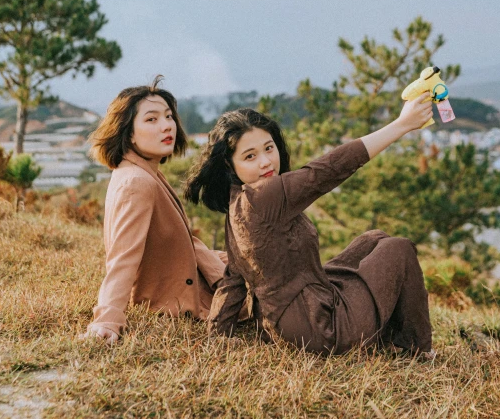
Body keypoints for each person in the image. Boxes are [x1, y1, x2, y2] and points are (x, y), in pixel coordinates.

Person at [184, 93, 435, 357]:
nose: (266, 161)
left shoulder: (239, 201)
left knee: (373, 239)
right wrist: (402, 124)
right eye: (250, 156)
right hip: (319, 331)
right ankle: (416, 349)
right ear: (229, 163)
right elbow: (329, 169)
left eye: (269, 148)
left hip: (283, 324)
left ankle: (387, 330)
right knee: (398, 249)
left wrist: (218, 334)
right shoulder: (266, 195)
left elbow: (234, 275)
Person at [84, 76, 227, 344]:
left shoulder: (141, 171)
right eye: (151, 119)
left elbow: (183, 241)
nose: (166, 126)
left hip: (189, 273)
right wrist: (108, 318)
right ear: (127, 132)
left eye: (169, 116)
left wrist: (221, 272)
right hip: (178, 297)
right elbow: (123, 257)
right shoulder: (137, 183)